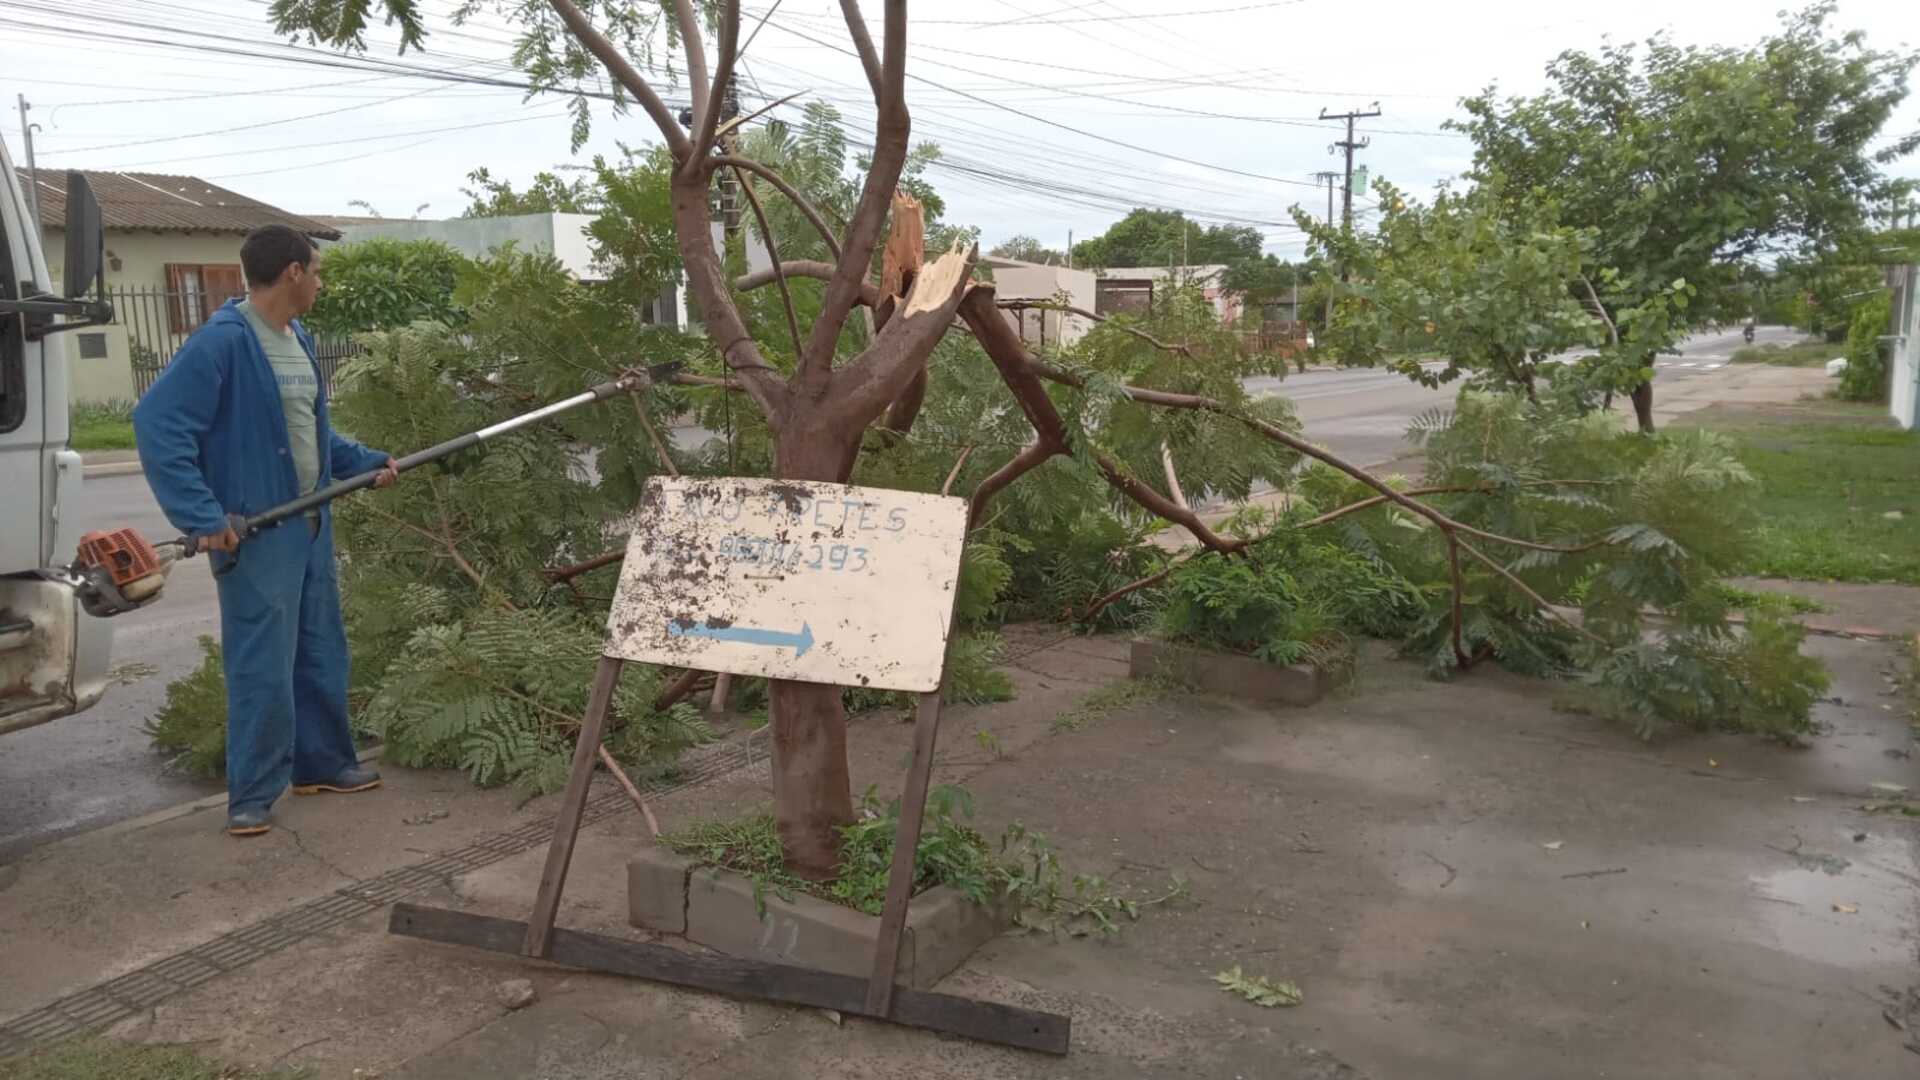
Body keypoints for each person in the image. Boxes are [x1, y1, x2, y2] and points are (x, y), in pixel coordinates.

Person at [133, 224, 399, 837]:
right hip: (256, 533)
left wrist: (363, 462)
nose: (321, 282)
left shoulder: (296, 337)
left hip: (308, 521)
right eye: (318, 270)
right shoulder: (224, 342)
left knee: (321, 649)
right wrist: (202, 517)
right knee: (262, 664)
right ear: (293, 273)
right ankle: (251, 794)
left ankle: (324, 763)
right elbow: (158, 426)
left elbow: (310, 434)